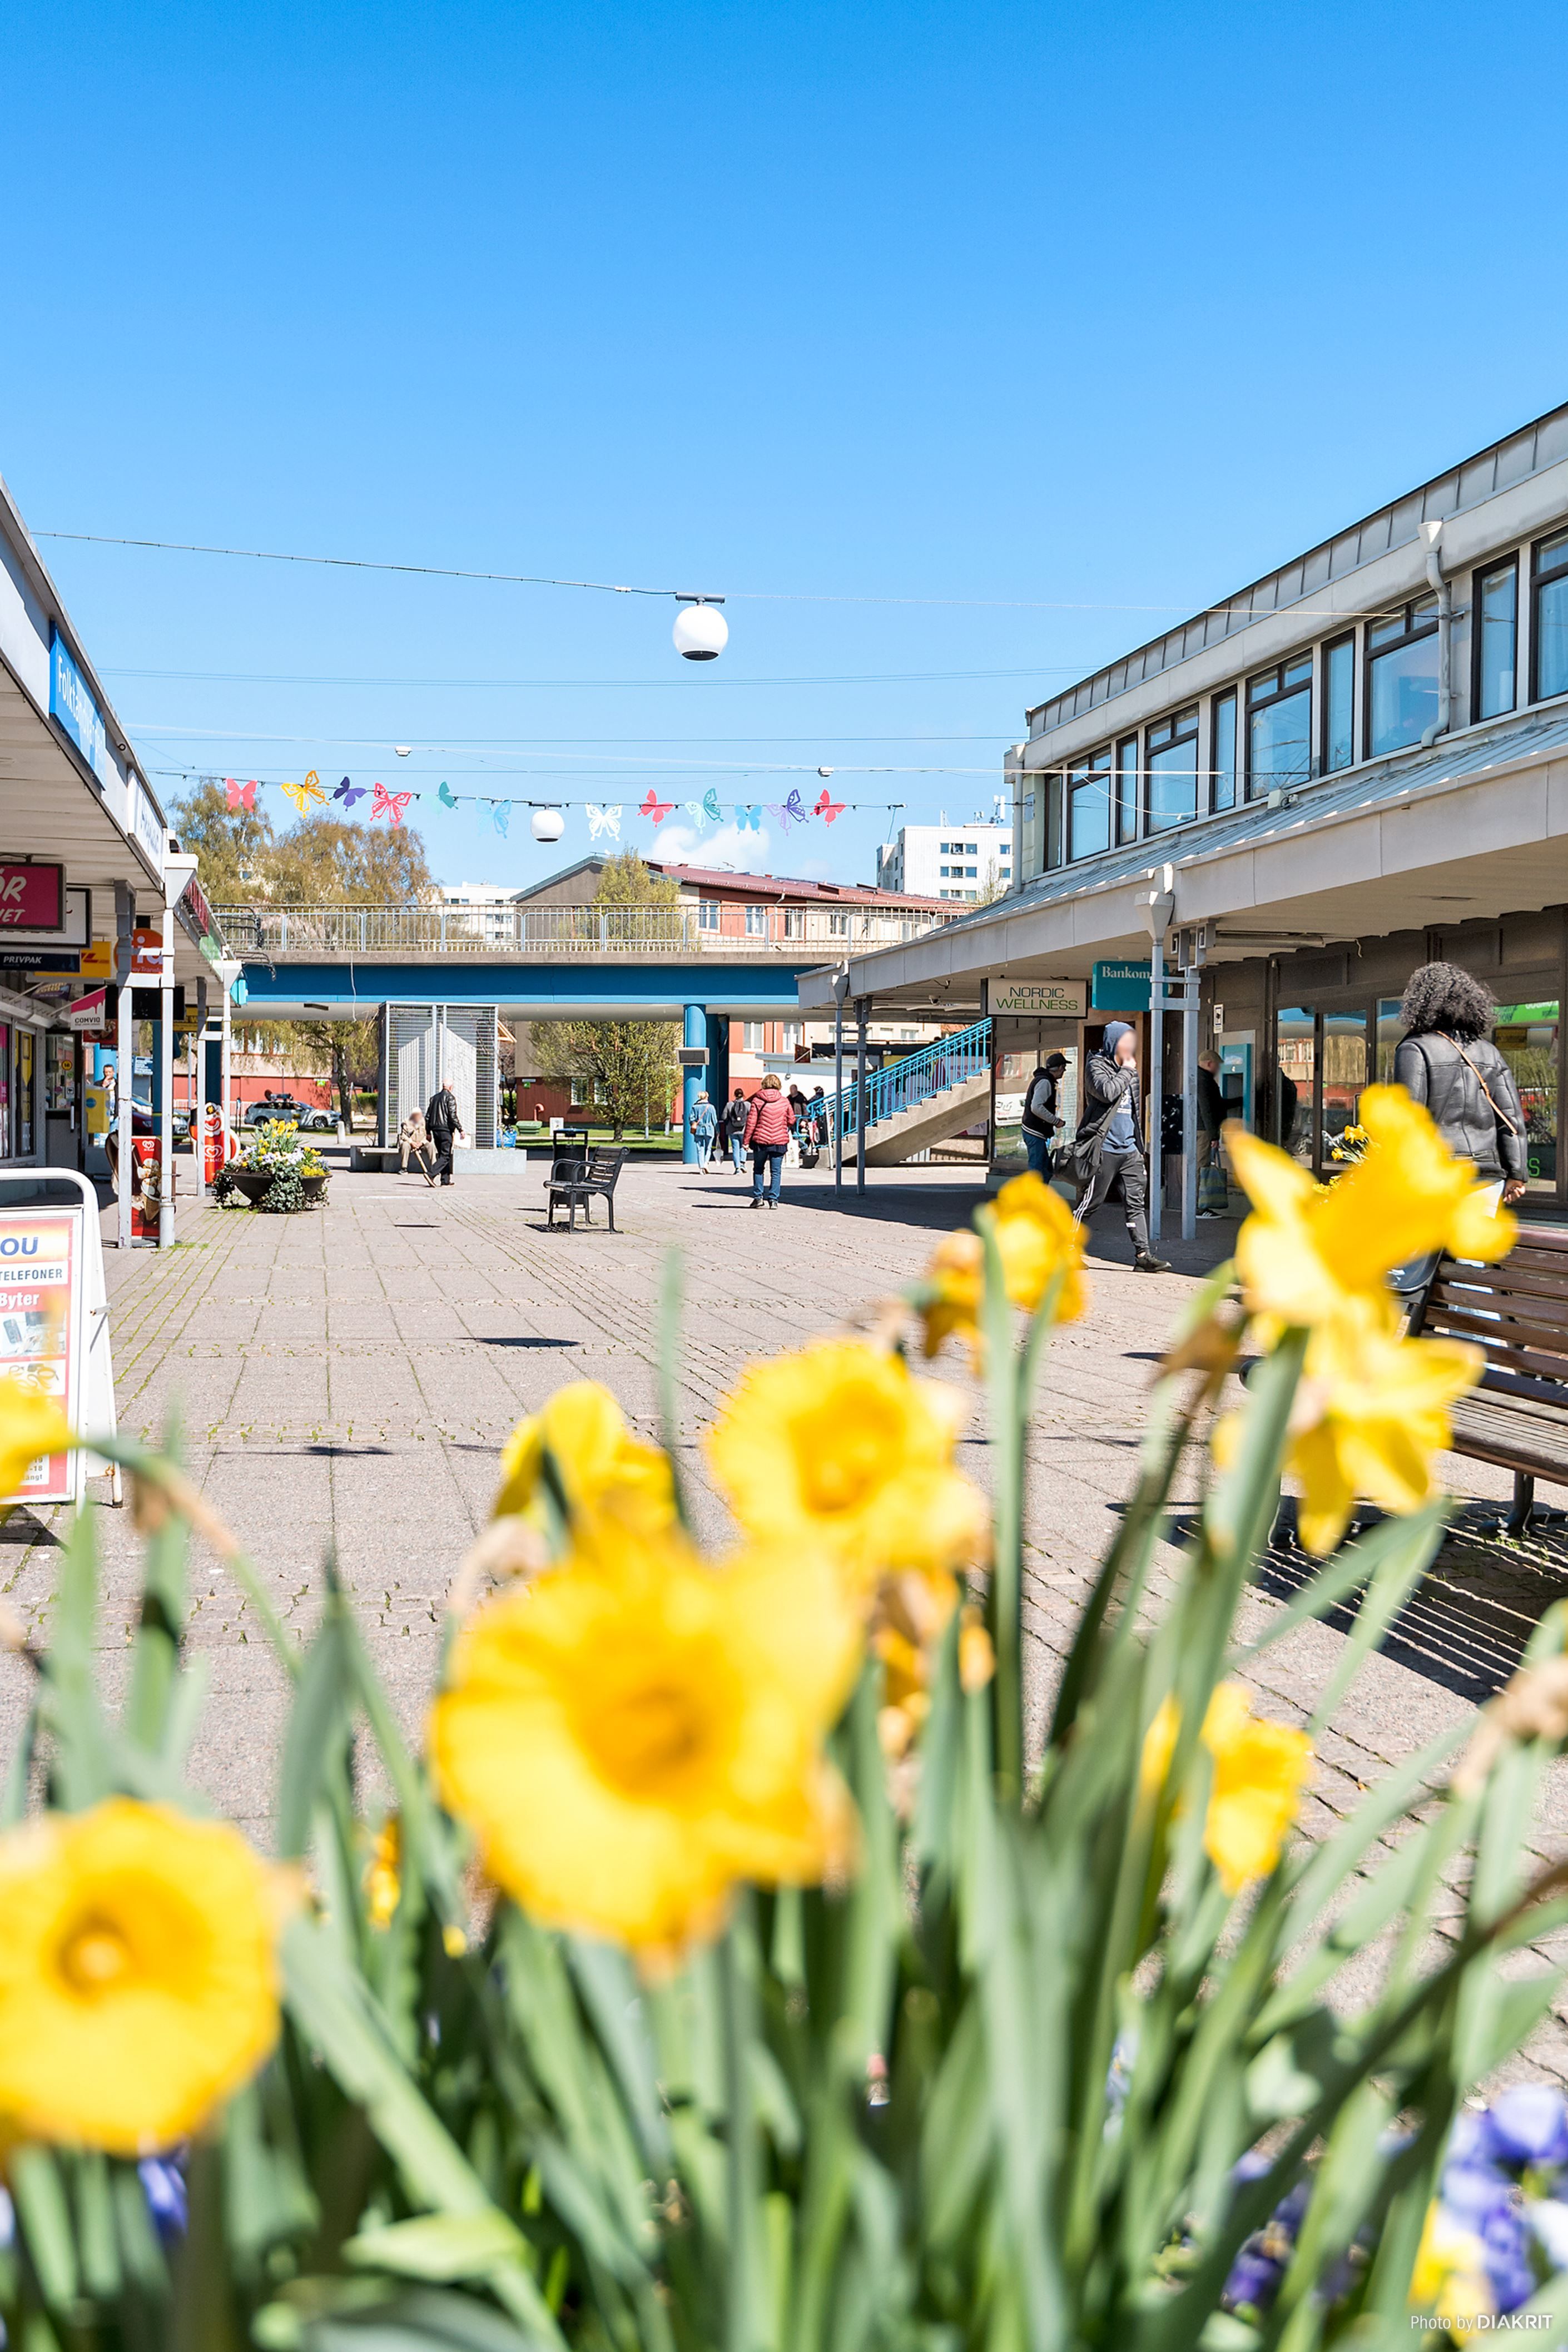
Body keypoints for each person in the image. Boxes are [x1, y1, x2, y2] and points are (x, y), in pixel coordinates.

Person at [1393, 962, 1529, 1208]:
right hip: (1486, 1178)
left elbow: (1408, 1119)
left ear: (1420, 1002)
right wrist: (1517, 1173)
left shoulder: (1415, 1048)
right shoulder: (1489, 1052)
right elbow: (1511, 1119)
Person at [1071, 1021, 1171, 1274]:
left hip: (1129, 1150)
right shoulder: (1096, 1065)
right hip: (1103, 1148)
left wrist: (1139, 1145)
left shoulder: (1131, 1073)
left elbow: (1134, 1111)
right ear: (1113, 1042)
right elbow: (1106, 1092)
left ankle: (1143, 1255)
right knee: (1090, 1203)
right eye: (1125, 1040)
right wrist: (1127, 1070)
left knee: (1136, 1204)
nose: (1130, 1045)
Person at [743, 1071, 796, 1208]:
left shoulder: (757, 1101)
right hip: (779, 1141)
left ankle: (758, 1198)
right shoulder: (784, 1101)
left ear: (764, 1084)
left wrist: (746, 1141)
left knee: (758, 1169)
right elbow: (792, 1120)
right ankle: (774, 1200)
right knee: (776, 1172)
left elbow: (751, 1123)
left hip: (760, 1141)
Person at [1021, 1051, 1068, 1177]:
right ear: (1060, 1068)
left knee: (1046, 1170)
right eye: (1064, 1068)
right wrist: (1055, 1121)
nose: (1065, 1071)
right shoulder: (1045, 1082)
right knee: (1038, 1171)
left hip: (1033, 1131)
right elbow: (1036, 1107)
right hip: (1034, 1131)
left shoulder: (1043, 1080)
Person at [1195, 1051, 1227, 1217]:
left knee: (1200, 1166)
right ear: (1209, 1063)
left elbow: (1216, 1105)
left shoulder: (1198, 1077)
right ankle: (1199, 1207)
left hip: (1201, 1128)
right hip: (1204, 1130)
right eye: (1217, 1065)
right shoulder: (1204, 1080)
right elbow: (1207, 1109)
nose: (1219, 1069)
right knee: (1202, 1167)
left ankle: (1198, 1205)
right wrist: (1214, 1135)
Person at [425, 1080, 464, 1187]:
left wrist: (428, 1132)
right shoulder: (450, 1098)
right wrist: (460, 1129)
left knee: (442, 1155)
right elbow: (452, 1116)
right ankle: (430, 1174)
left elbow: (428, 1116)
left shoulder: (434, 1098)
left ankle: (445, 1179)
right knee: (446, 1156)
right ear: (451, 1087)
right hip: (446, 1130)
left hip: (435, 1130)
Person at [399, 1105, 435, 1184]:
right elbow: (403, 1135)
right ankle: (404, 1168)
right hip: (411, 1142)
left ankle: (434, 1168)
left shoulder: (425, 1122)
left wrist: (422, 1143)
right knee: (405, 1145)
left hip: (422, 1142)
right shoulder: (406, 1122)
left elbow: (428, 1136)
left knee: (431, 1145)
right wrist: (411, 1142)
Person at [721, 1086, 750, 1173]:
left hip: (732, 1130)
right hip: (744, 1130)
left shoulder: (729, 1105)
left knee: (735, 1149)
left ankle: (737, 1168)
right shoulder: (748, 1105)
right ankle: (742, 1164)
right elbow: (752, 1116)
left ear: (735, 1095)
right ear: (743, 1095)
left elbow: (724, 1117)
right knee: (743, 1147)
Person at [688, 1089, 718, 1172]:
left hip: (698, 1130)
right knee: (708, 1148)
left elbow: (691, 1119)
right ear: (707, 1097)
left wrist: (694, 1124)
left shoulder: (695, 1107)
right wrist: (718, 1131)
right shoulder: (711, 1107)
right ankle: (706, 1163)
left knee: (700, 1149)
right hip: (709, 1130)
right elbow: (715, 1120)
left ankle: (701, 1168)